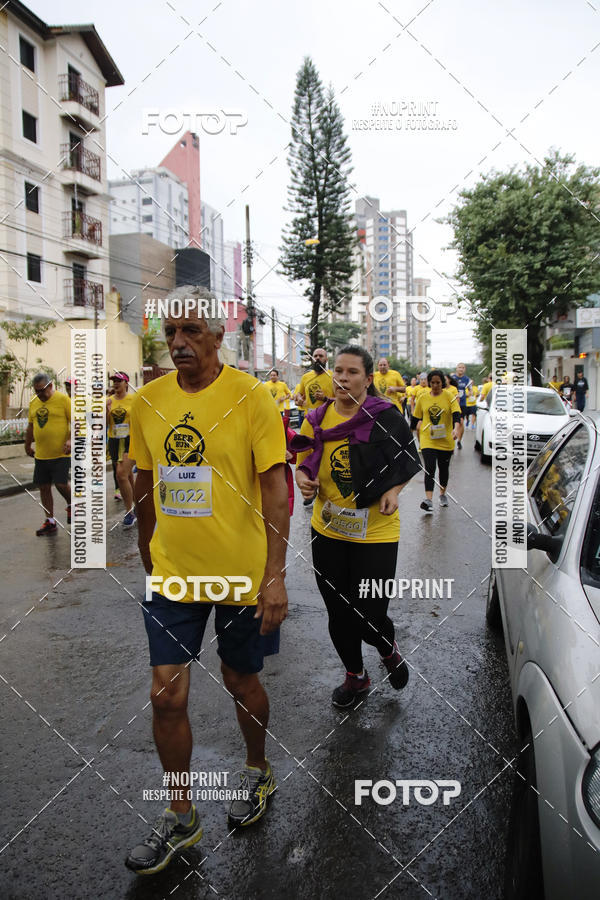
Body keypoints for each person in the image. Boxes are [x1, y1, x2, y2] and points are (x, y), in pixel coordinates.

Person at [125, 285, 289, 875]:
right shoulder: (145, 402)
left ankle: (256, 770)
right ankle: (181, 816)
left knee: (241, 681)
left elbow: (276, 490)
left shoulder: (250, 397)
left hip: (242, 576)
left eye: (192, 331)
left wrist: (275, 574)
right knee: (165, 693)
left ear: (219, 335)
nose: (179, 343)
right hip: (174, 574)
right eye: (171, 333)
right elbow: (143, 483)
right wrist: (149, 554)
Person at [292, 345, 420, 708]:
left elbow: (408, 459)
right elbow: (304, 461)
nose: (343, 378)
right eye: (338, 371)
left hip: (376, 532)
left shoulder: (386, 415)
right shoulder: (316, 418)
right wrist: (304, 478)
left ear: (367, 378)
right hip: (328, 528)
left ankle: (386, 648)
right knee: (337, 611)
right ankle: (355, 677)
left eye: (352, 372)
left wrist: (393, 490)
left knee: (370, 613)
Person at [25, 373, 71, 535]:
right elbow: (31, 426)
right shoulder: (34, 402)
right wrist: (27, 445)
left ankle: (72, 504)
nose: (39, 394)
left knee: (60, 484)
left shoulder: (63, 400)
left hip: (61, 453)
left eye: (42, 390)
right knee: (44, 487)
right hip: (42, 454)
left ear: (51, 386)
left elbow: (77, 422)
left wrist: (70, 441)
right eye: (36, 391)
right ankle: (50, 521)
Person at [412, 369, 461, 513]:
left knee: (443, 469)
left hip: (446, 439)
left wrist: (456, 429)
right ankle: (428, 499)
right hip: (428, 438)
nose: (434, 385)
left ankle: (442, 494)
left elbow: (456, 415)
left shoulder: (449, 396)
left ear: (442, 383)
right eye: (432, 382)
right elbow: (416, 418)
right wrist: (410, 432)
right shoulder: (423, 397)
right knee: (430, 468)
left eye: (438, 382)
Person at [106, 372, 136, 528]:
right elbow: (102, 424)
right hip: (115, 441)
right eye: (114, 381)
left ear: (126, 383)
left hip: (130, 440)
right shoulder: (108, 401)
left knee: (121, 474)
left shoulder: (134, 399)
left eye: (119, 381)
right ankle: (138, 504)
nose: (116, 383)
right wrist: (107, 411)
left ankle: (129, 512)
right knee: (128, 475)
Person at [453, 363, 472, 449]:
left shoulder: (467, 379)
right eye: (459, 367)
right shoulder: (452, 378)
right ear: (456, 368)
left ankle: (459, 441)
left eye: (463, 368)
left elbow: (470, 390)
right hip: (452, 403)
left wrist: (467, 395)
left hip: (462, 404)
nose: (461, 369)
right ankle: (451, 441)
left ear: (465, 369)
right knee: (451, 423)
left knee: (461, 422)